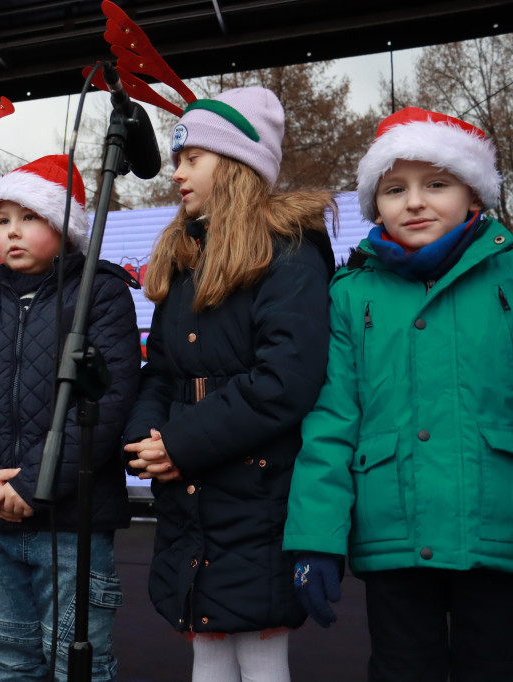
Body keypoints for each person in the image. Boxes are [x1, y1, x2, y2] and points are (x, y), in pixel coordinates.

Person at [284, 107, 513, 681]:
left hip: (498, 530)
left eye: (436, 183)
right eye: (395, 188)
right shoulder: (350, 293)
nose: (414, 201)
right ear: (375, 203)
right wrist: (317, 539)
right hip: (395, 537)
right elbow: (332, 420)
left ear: (474, 195)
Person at [122, 87, 336, 682]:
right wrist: (145, 439)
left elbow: (284, 381)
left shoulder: (290, 254)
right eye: (178, 158)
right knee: (208, 645)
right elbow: (160, 370)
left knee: (261, 651)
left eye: (193, 158)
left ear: (238, 163)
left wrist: (179, 444)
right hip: (192, 496)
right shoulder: (188, 258)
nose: (177, 171)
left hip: (257, 495)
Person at [0, 154, 140, 681]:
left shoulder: (102, 294)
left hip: (72, 521)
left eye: (29, 218)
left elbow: (106, 401)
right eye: (3, 220)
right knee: (6, 654)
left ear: (64, 225)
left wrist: (34, 485)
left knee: (79, 660)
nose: (12, 232)